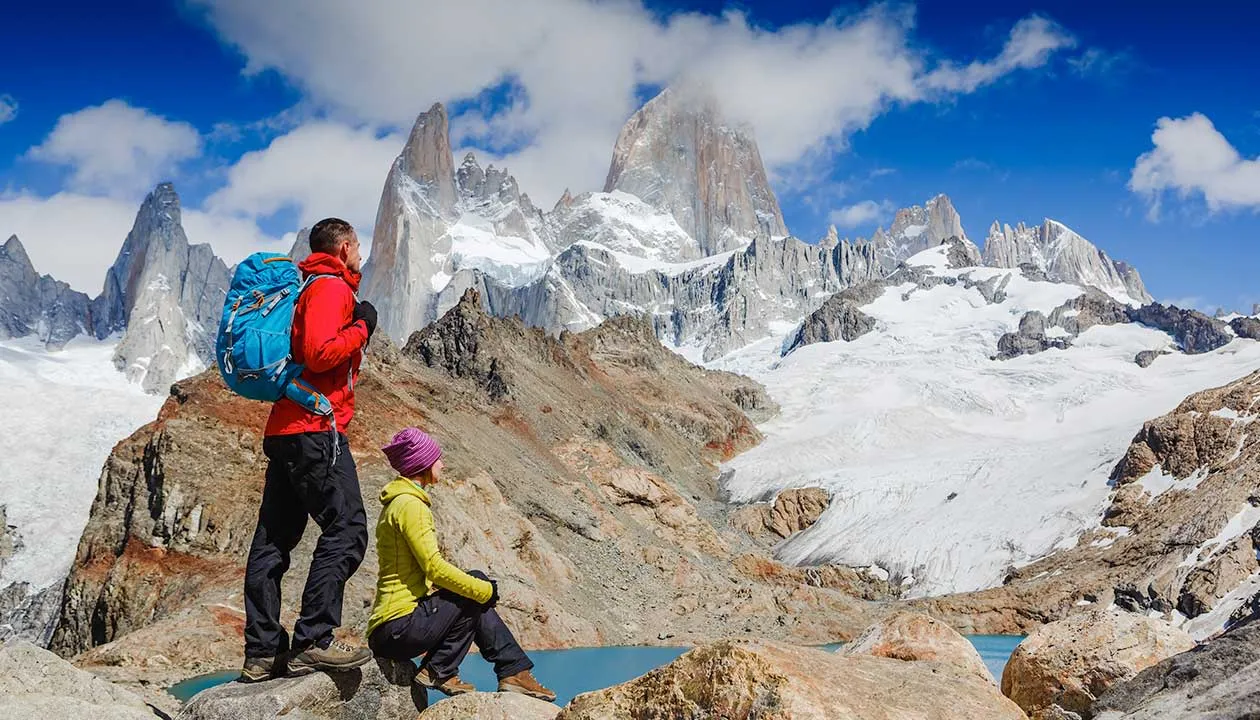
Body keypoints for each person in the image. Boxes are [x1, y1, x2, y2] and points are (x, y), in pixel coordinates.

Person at [241, 217, 380, 682]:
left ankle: (262, 653)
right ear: (342, 247)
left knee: (274, 540)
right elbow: (320, 352)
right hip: (314, 428)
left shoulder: (305, 287)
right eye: (357, 245)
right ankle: (313, 640)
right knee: (348, 527)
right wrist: (362, 327)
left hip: (286, 428)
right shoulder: (329, 287)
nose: (361, 253)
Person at [367, 427, 556, 702]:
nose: (442, 464)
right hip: (398, 628)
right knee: (476, 587)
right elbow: (434, 567)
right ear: (423, 464)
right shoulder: (411, 506)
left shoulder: (398, 503)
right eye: (437, 459)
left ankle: (504, 670)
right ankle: (468, 670)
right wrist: (486, 591)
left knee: (473, 591)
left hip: (391, 628)